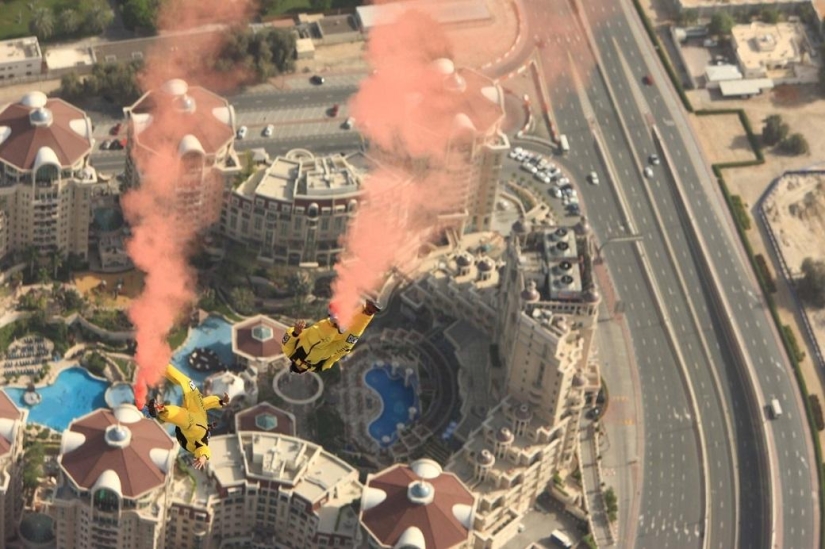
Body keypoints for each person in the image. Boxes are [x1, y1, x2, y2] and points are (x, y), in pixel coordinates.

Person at [145, 364, 230, 470]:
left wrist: (203, 457)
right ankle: (163, 367)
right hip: (195, 409)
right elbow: (207, 403)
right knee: (187, 382)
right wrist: (221, 402)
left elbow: (204, 450)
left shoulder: (199, 441)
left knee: (183, 416)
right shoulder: (202, 417)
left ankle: (160, 409)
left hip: (188, 430)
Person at [281, 299, 381, 373]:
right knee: (353, 333)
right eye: (302, 369)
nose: (301, 366)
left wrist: (295, 333)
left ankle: (336, 321)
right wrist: (345, 348)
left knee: (322, 336)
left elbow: (287, 341)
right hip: (333, 345)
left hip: (317, 336)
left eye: (298, 367)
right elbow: (333, 358)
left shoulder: (291, 353)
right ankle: (368, 311)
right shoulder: (317, 367)